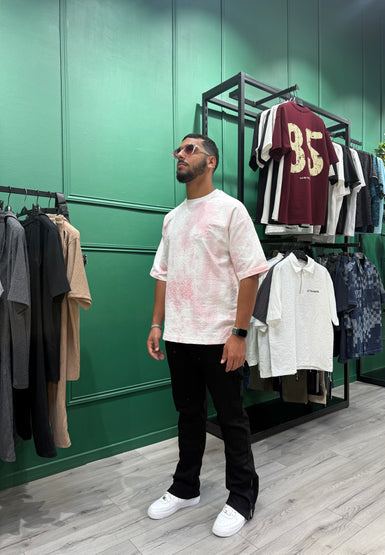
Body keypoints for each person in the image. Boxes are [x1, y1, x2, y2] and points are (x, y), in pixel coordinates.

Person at [146, 133, 269, 537]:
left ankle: (242, 496)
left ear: (211, 161)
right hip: (179, 336)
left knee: (232, 418)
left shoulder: (231, 210)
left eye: (190, 149)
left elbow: (250, 273)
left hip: (220, 337)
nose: (180, 155)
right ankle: (186, 487)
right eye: (177, 150)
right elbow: (163, 274)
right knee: (188, 415)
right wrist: (157, 324)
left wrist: (239, 333)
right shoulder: (172, 218)